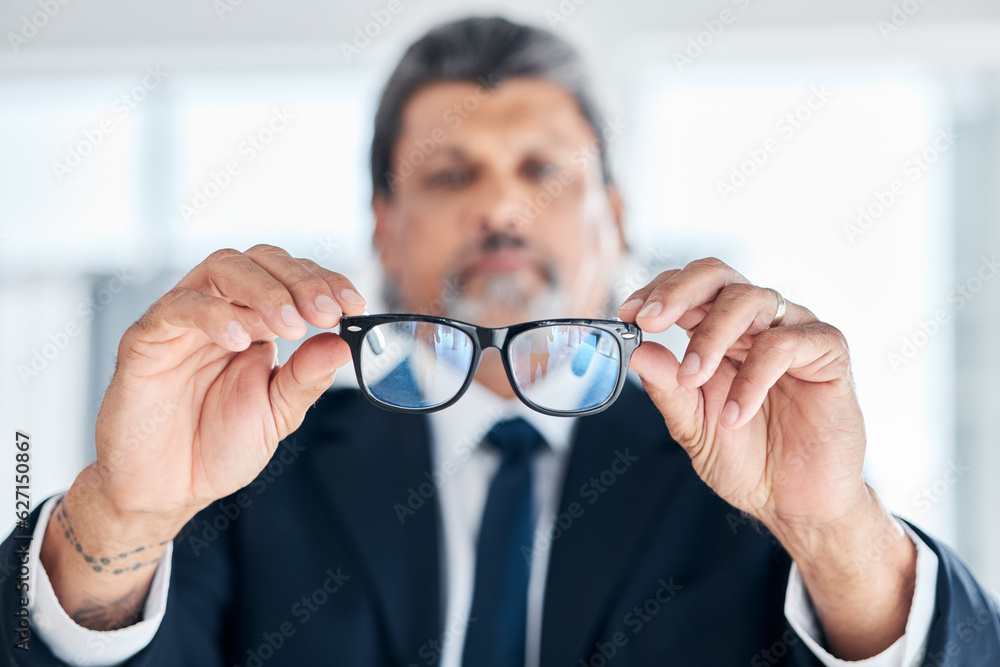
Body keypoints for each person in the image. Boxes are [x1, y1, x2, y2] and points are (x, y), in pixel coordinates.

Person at [3, 15, 999, 667]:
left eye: (542, 170)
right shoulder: (257, 468)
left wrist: (833, 534)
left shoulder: (743, 475)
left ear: (615, 217)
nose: (502, 208)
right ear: (383, 225)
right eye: (448, 177)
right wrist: (122, 510)